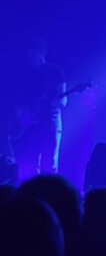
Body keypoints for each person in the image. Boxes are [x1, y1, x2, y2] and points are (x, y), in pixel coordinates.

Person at [12, 37, 67, 179]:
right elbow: (19, 99)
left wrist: (55, 103)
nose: (28, 55)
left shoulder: (55, 72)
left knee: (50, 162)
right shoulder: (25, 73)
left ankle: (49, 194)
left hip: (50, 120)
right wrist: (22, 116)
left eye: (31, 52)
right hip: (31, 122)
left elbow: (63, 100)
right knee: (30, 162)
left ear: (40, 53)